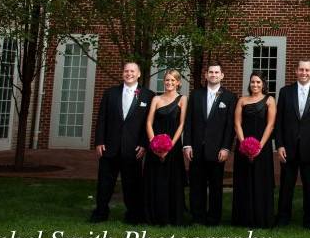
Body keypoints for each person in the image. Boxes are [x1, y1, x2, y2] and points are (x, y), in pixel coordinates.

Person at [90, 61, 154, 223]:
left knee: (132, 184)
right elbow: (102, 119)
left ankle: (133, 215)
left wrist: (144, 144)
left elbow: (149, 123)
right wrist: (99, 141)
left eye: (133, 71)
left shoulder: (148, 95)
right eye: (126, 71)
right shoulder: (110, 93)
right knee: (105, 183)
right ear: (122, 73)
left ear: (139, 74)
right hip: (109, 146)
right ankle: (100, 213)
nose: (129, 73)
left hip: (133, 148)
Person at [275, 59, 310, 228]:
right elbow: (279, 121)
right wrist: (280, 145)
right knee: (286, 185)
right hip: (288, 147)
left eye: (307, 70)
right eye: (301, 70)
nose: (304, 73)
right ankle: (283, 218)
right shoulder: (285, 92)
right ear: (296, 71)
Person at [183, 63, 236, 226]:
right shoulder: (196, 95)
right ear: (206, 76)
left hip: (217, 149)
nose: (213, 75)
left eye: (216, 72)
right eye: (210, 72)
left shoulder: (229, 97)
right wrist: (187, 144)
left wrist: (226, 147)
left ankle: (214, 218)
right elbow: (189, 121)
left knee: (215, 186)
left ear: (222, 76)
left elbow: (230, 126)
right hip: (196, 148)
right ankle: (197, 217)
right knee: (196, 185)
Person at [231, 72, 276, 228]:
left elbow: (270, 125)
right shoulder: (242, 100)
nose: (255, 85)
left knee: (260, 180)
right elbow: (237, 124)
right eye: (252, 82)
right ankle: (243, 219)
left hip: (262, 146)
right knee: (244, 180)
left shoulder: (270, 100)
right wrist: (244, 145)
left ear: (263, 84)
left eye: (258, 82)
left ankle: (261, 218)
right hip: (243, 146)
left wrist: (258, 147)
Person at [144, 69, 188, 225]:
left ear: (178, 82)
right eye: (167, 80)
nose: (169, 83)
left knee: (172, 181)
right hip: (154, 145)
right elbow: (149, 122)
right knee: (155, 180)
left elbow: (182, 124)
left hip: (173, 146)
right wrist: (154, 144)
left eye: (172, 80)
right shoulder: (156, 99)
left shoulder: (183, 99)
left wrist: (169, 146)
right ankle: (154, 216)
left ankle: (172, 216)